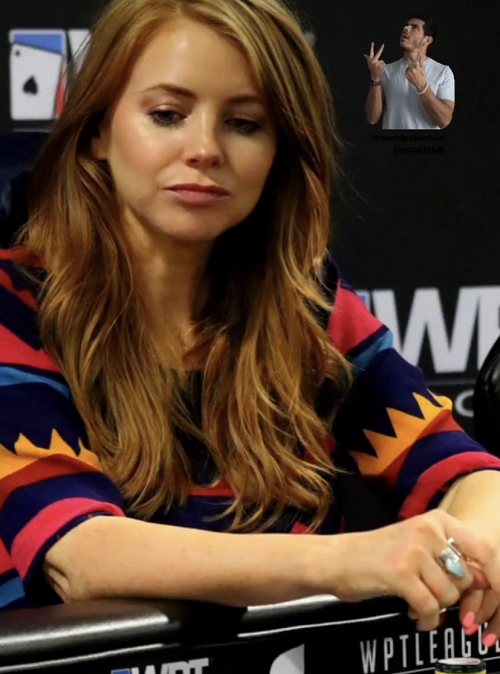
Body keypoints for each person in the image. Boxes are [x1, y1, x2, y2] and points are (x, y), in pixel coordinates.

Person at [0, 0, 499, 646]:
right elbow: (80, 554)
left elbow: (458, 468)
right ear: (96, 130)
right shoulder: (17, 305)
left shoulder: (308, 305)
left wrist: (477, 551)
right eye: (166, 115)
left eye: (243, 123)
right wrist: (351, 561)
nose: (205, 150)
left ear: (278, 150)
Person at [364, 14, 455, 129]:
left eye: (414, 27)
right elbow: (371, 119)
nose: (406, 28)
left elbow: (444, 121)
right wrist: (375, 78)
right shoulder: (386, 70)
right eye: (406, 25)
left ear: (427, 40)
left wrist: (422, 86)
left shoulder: (443, 72)